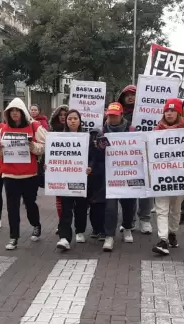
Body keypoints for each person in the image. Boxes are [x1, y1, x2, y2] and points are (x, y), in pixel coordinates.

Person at [0, 98, 47, 250]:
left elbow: (44, 146)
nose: (14, 113)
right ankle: (13, 237)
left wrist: (32, 146)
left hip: (29, 175)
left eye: (17, 110)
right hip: (9, 174)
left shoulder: (34, 126)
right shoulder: (3, 129)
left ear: (23, 112)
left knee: (30, 204)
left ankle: (36, 224)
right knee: (12, 207)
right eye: (11, 111)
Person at [96, 102, 137, 251]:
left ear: (121, 115)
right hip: (110, 176)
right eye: (110, 116)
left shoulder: (132, 130)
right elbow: (98, 157)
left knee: (128, 204)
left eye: (115, 116)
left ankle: (127, 227)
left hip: (128, 174)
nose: (112, 118)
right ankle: (109, 236)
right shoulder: (102, 132)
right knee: (110, 207)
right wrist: (100, 149)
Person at [151, 98, 184, 255]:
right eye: (167, 111)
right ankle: (163, 240)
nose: (169, 113)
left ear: (179, 113)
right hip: (161, 176)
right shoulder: (155, 131)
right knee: (161, 209)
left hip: (181, 176)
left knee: (175, 209)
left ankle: (172, 232)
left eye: (173, 110)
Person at [117, 85, 153, 234]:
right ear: (122, 98)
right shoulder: (118, 115)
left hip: (145, 155)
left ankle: (145, 219)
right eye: (127, 95)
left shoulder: (149, 114)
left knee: (146, 189)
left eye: (133, 94)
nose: (130, 97)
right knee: (128, 190)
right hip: (125, 157)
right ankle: (128, 220)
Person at [55, 109, 91, 250]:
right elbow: (53, 155)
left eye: (75, 118)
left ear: (80, 121)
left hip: (82, 178)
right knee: (66, 208)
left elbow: (92, 156)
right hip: (65, 179)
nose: (73, 121)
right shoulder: (59, 137)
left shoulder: (87, 137)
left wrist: (90, 167)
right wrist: (49, 166)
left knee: (81, 207)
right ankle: (64, 237)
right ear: (66, 121)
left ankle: (80, 231)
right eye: (70, 119)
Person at [49, 105, 69, 232]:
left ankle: (69, 223)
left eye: (65, 115)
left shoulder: (76, 132)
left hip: (73, 170)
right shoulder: (51, 132)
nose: (63, 117)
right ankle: (61, 223)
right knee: (59, 199)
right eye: (60, 115)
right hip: (58, 170)